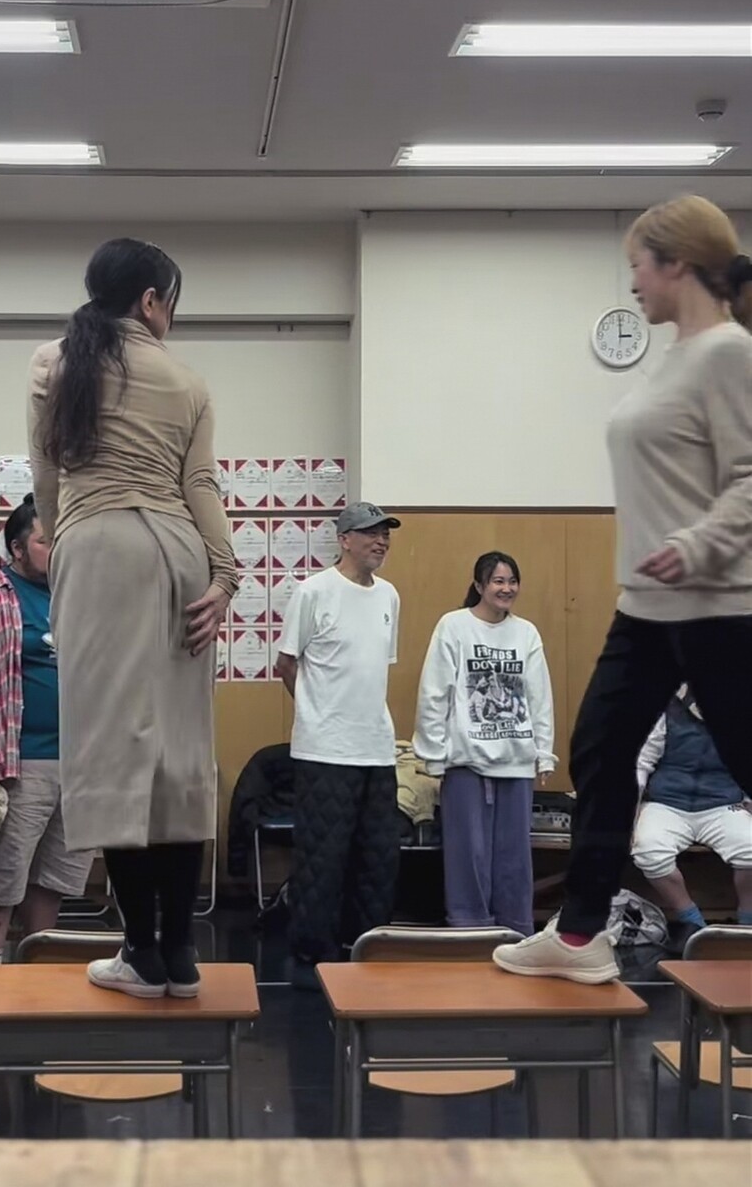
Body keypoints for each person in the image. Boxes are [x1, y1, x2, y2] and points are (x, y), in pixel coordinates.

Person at [494, 195, 752, 983]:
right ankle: (579, 937)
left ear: (676, 264)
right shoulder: (672, 357)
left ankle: (577, 934)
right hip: (645, 606)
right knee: (600, 752)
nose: (632, 279)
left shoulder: (728, 353)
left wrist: (694, 544)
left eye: (638, 263)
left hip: (717, 603)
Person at [27, 238, 238, 999]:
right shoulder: (188, 380)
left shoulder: (54, 363)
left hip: (97, 551)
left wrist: (70, 545)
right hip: (182, 554)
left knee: (110, 756)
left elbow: (47, 480)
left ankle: (139, 952)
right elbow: (201, 485)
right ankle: (180, 953)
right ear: (151, 301)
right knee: (180, 757)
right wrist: (226, 574)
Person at [0, 496, 93, 963]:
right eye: (45, 541)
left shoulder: (77, 595)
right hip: (18, 762)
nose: (56, 550)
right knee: (0, 885)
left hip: (78, 763)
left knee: (53, 881)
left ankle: (35, 979)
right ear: (17, 549)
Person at [276, 501, 401, 988]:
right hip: (325, 749)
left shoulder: (389, 595)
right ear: (344, 539)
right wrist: (315, 710)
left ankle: (365, 945)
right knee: (322, 858)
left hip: (376, 746)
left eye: (385, 534)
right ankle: (312, 953)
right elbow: (287, 663)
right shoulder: (314, 592)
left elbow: (375, 667)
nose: (381, 541)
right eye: (371, 533)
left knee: (378, 856)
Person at [413, 551, 556, 935]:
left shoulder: (526, 633)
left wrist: (544, 754)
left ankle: (514, 928)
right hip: (465, 761)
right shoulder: (454, 625)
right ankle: (468, 926)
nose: (506, 588)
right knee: (467, 853)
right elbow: (434, 692)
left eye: (512, 581)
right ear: (479, 585)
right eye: (497, 581)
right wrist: (434, 754)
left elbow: (539, 697)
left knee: (514, 857)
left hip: (516, 760)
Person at [633, 685, 752, 944]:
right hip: (667, 803)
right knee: (649, 851)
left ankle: (747, 927)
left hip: (722, 803)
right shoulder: (666, 707)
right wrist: (630, 812)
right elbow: (641, 762)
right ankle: (693, 925)